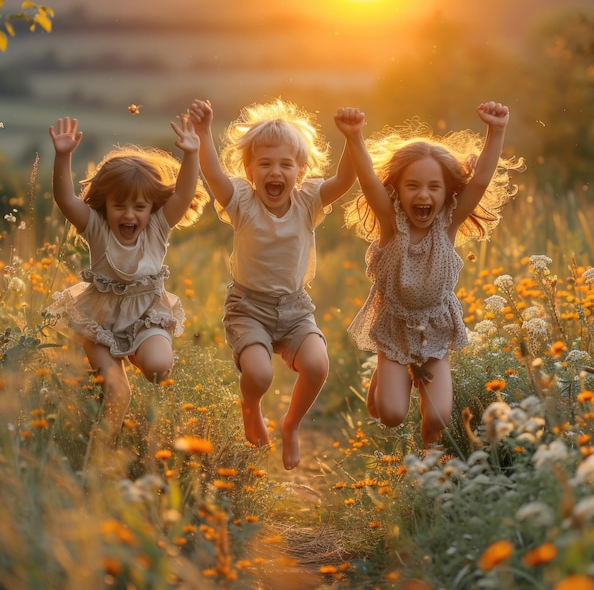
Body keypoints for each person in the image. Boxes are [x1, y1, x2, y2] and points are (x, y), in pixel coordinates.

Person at [335, 103, 524, 447]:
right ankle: (383, 374)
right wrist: (354, 136)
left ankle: (429, 460)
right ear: (397, 191)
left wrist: (496, 131)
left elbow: (480, 180)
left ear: (447, 192)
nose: (423, 195)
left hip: (436, 327)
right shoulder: (391, 225)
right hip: (394, 327)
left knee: (438, 417)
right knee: (390, 415)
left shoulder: (448, 225)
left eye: (433, 187)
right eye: (412, 186)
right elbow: (367, 179)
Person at [188, 98, 356, 469]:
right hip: (248, 308)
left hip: (296, 309)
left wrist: (351, 138)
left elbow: (346, 179)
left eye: (285, 164)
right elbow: (214, 174)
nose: (275, 171)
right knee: (259, 374)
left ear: (301, 170)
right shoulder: (242, 202)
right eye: (265, 164)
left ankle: (291, 424)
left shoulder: (309, 200)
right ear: (249, 170)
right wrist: (202, 132)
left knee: (317, 365)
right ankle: (251, 406)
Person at [46, 114, 209, 462]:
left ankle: (136, 351)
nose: (129, 215)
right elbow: (65, 200)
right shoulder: (96, 227)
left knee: (158, 367)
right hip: (100, 320)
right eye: (119, 205)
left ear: (152, 207)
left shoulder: (158, 228)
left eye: (140, 206)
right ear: (104, 204)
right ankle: (100, 457)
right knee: (117, 392)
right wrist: (63, 156)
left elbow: (181, 194)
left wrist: (192, 154)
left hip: (147, 315)